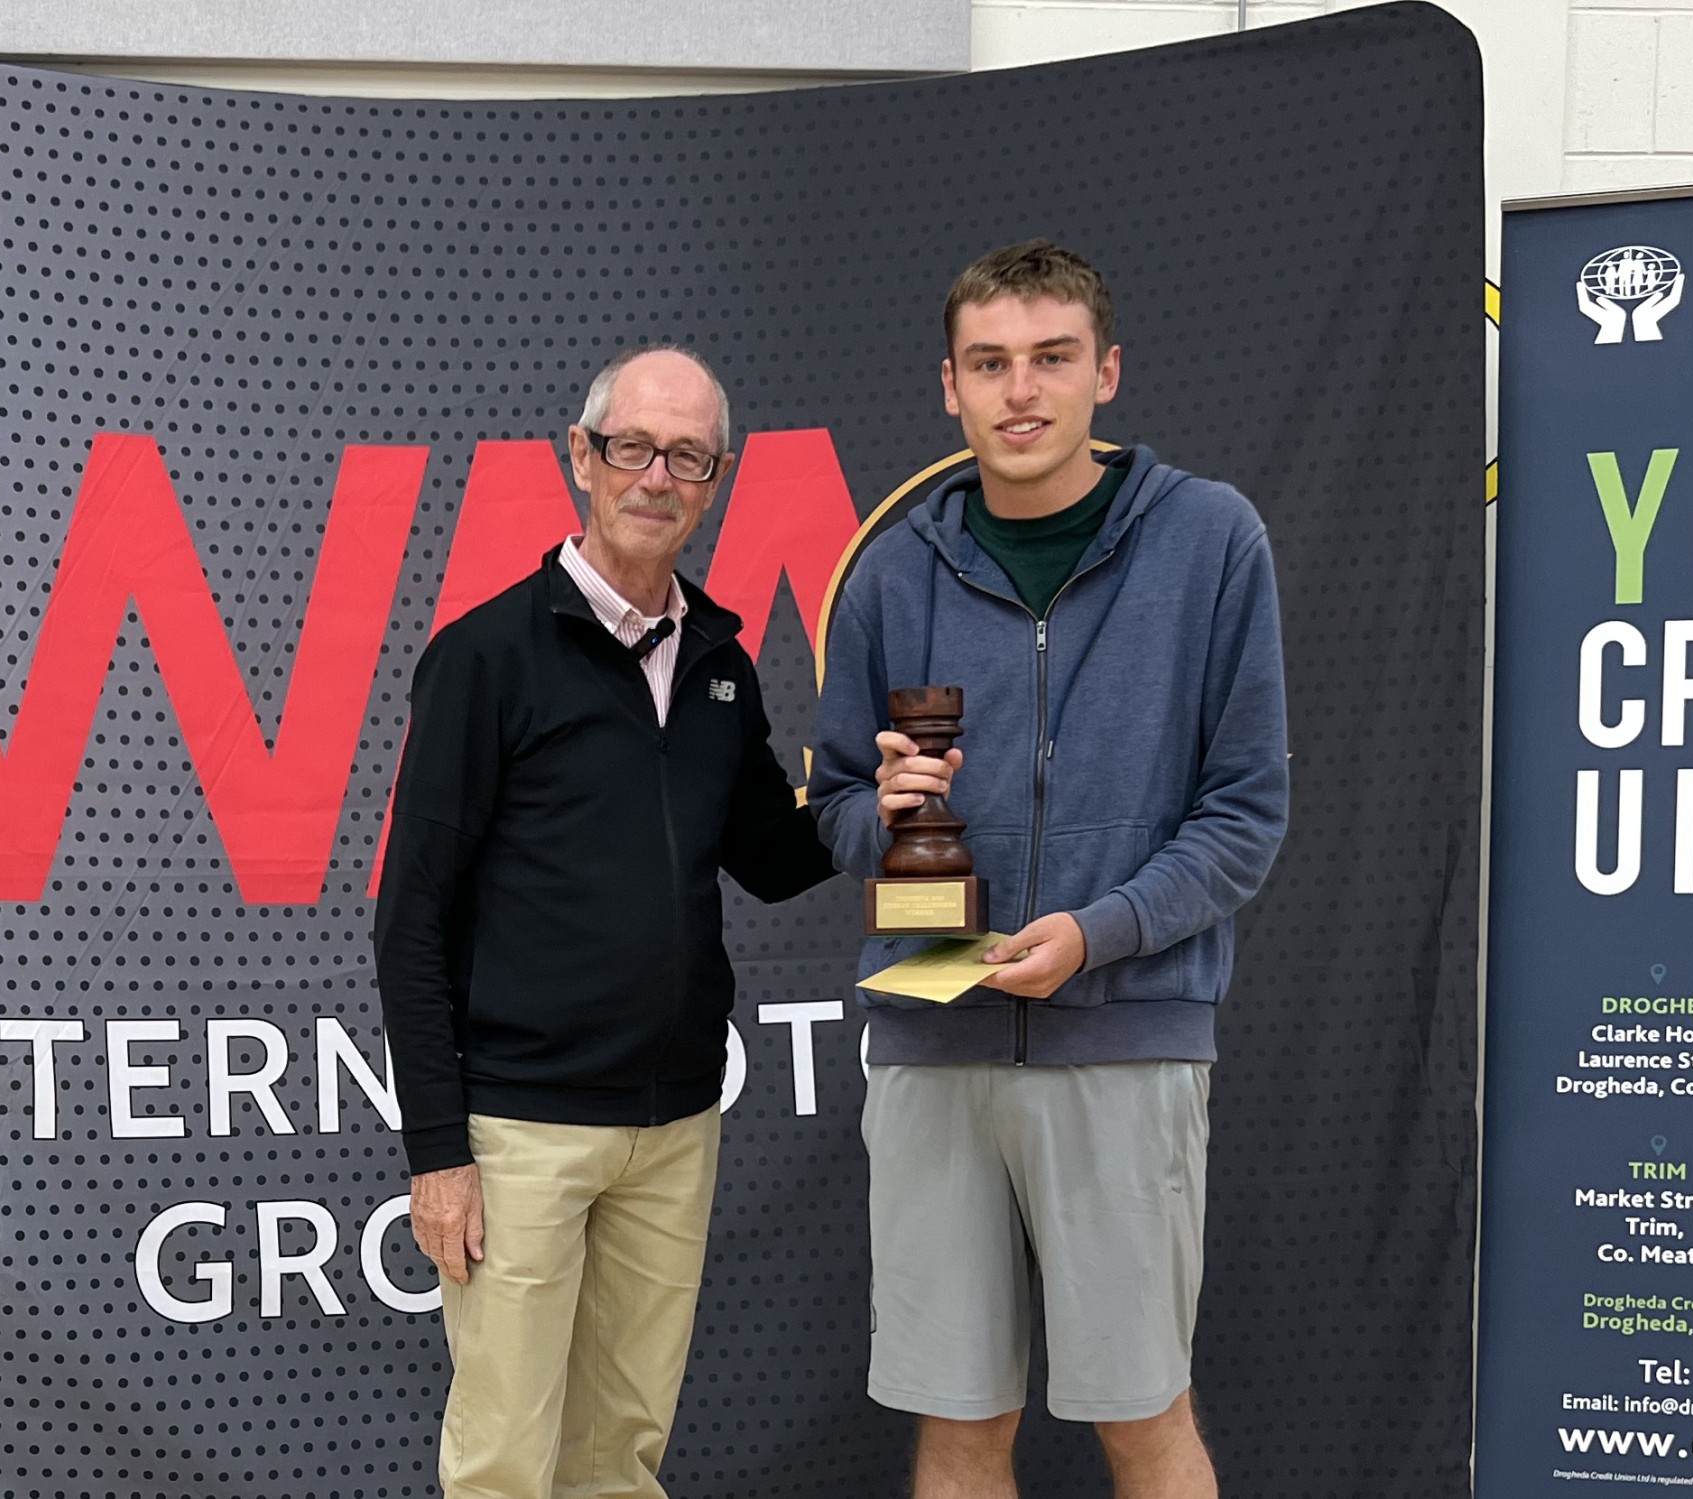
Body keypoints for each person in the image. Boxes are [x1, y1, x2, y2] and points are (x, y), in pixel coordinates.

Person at [809, 240, 1289, 1498]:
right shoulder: (891, 572)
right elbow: (836, 808)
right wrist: (879, 812)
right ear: (948, 387)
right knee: (958, 1424)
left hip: (1123, 1037)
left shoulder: (1209, 540)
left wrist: (1100, 931)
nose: (1019, 391)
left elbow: (1243, 813)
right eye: (989, 363)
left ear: (1104, 372)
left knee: (1144, 1415)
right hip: (933, 1040)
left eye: (1050, 358)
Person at [374, 345, 837, 1499]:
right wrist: (437, 1152)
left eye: (687, 456)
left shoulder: (720, 662)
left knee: (620, 1457)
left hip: (674, 1127)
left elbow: (771, 858)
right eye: (632, 447)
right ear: (581, 457)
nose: (656, 477)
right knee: (503, 1463)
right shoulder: (485, 656)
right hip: (519, 1132)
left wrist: (885, 801)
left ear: (715, 481)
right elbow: (410, 917)